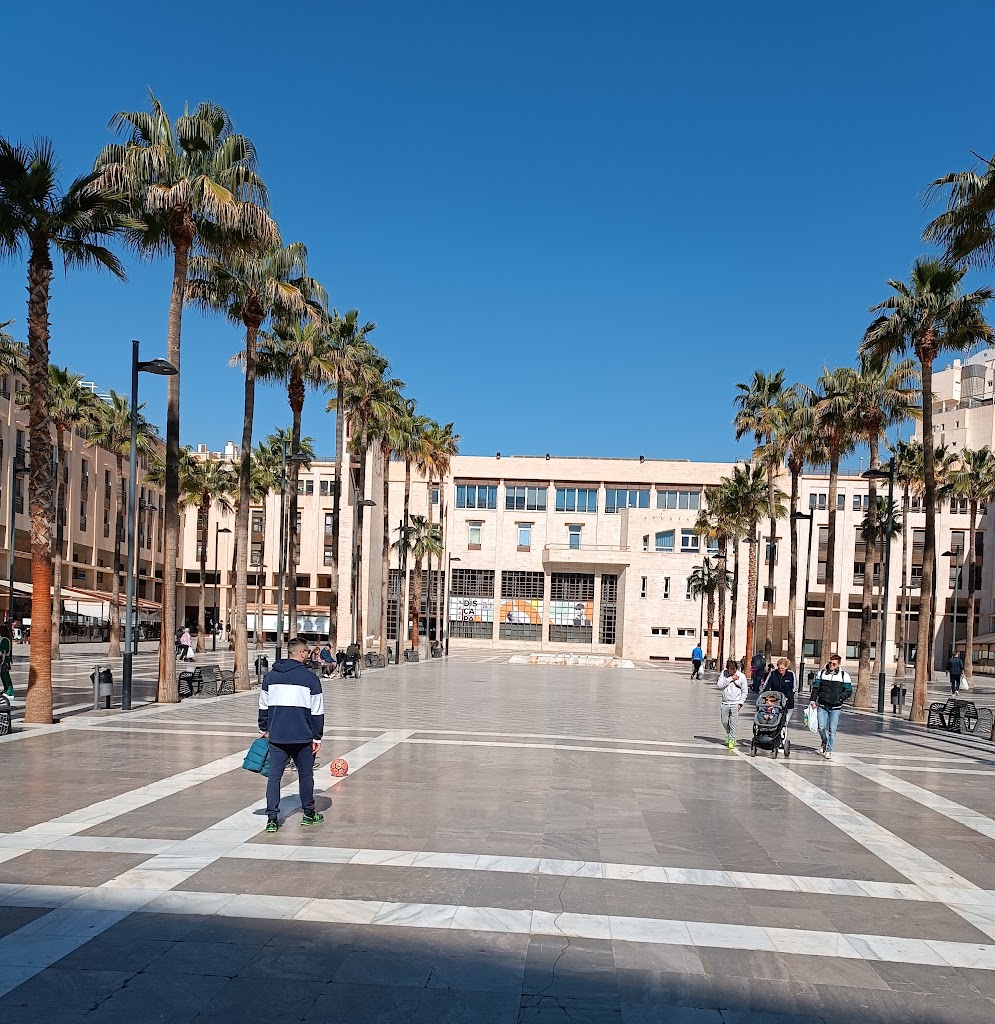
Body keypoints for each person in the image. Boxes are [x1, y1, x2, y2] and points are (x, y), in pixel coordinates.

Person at [258, 636, 325, 833]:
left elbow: (263, 707)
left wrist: (264, 729)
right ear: (302, 653)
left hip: (277, 737)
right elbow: (317, 712)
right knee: (306, 776)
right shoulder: (311, 679)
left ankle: (272, 818)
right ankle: (308, 814)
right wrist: (317, 737)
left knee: (274, 777)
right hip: (303, 737)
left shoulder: (270, 677)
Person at [809, 653, 852, 759]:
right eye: (830, 663)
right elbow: (816, 688)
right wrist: (813, 700)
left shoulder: (844, 676)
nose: (831, 665)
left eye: (834, 663)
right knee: (821, 727)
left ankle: (829, 749)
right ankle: (824, 741)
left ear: (838, 664)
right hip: (822, 705)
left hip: (835, 708)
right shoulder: (822, 673)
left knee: (832, 731)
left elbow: (849, 691)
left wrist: (840, 698)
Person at [716, 658, 749, 749]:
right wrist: (730, 679)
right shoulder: (724, 674)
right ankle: (729, 733)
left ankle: (731, 739)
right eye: (730, 669)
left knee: (733, 722)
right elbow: (719, 685)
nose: (732, 671)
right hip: (725, 702)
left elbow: (745, 691)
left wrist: (741, 702)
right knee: (724, 721)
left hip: (735, 702)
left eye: (734, 669)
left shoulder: (741, 676)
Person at [761, 658, 797, 728]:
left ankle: (783, 735)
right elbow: (767, 685)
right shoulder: (773, 673)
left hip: (788, 702)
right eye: (779, 668)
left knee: (784, 721)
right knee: (775, 718)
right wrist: (765, 694)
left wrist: (787, 697)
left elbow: (794, 688)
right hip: (775, 702)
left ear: (786, 667)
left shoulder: (791, 674)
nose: (781, 670)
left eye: (782, 668)